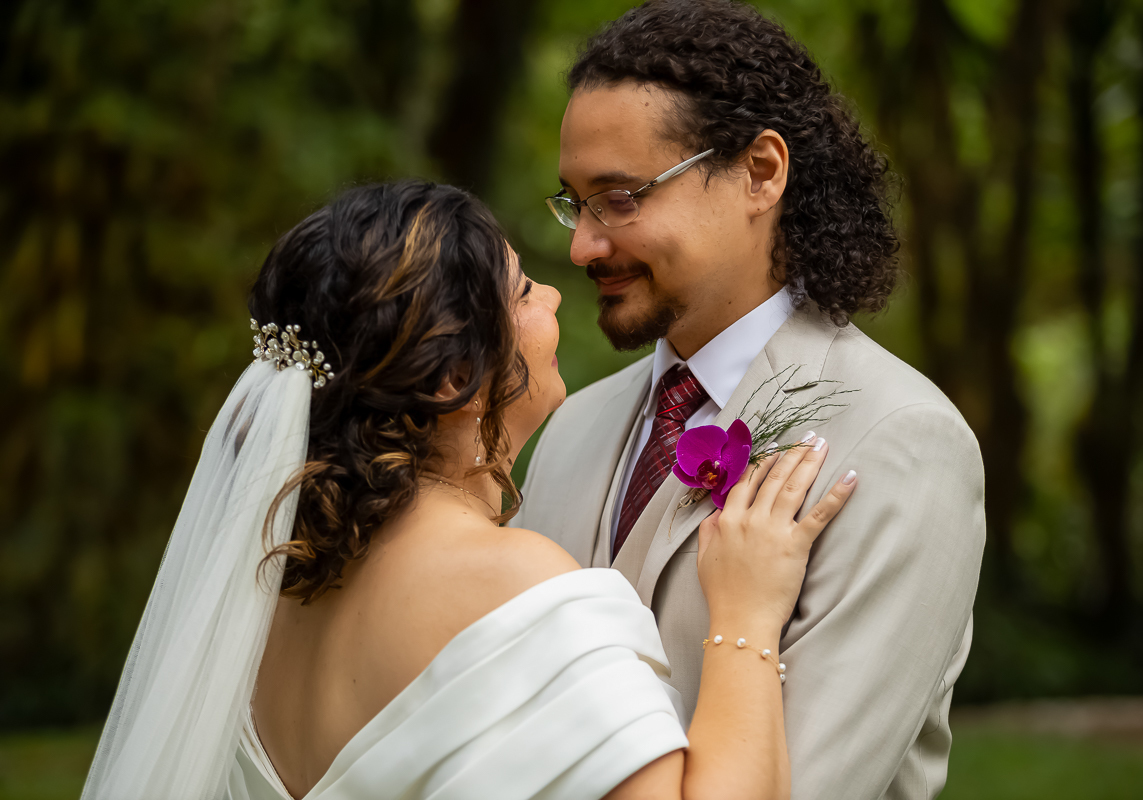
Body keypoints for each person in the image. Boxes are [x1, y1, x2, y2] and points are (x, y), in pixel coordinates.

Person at [79, 180, 858, 800]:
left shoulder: (266, 608)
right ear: (457, 379)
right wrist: (747, 615)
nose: (553, 298)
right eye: (521, 294)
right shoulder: (519, 587)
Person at [513, 2, 986, 797]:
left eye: (621, 197)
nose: (582, 245)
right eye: (574, 202)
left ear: (761, 172)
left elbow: (811, 782)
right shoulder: (571, 426)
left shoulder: (901, 439)